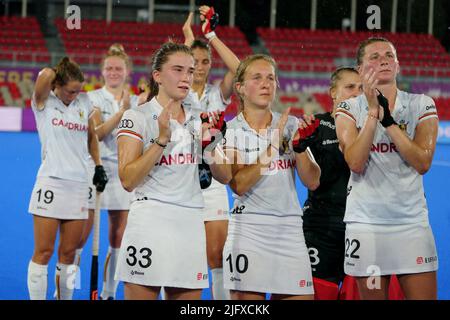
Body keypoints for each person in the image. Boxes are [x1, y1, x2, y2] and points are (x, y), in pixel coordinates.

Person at [206, 54, 321, 300]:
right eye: (256, 78)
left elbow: (312, 181)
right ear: (240, 88)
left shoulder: (290, 125)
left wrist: (299, 150)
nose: (266, 83)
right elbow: (238, 184)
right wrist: (273, 148)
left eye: (270, 78)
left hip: (289, 232)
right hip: (249, 233)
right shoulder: (231, 130)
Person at [335, 37, 439, 299]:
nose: (383, 60)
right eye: (374, 56)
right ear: (360, 69)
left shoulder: (421, 104)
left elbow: (422, 162)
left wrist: (389, 121)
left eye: (389, 55)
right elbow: (356, 163)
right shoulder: (348, 108)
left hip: (411, 223)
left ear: (398, 65)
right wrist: (372, 113)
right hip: (366, 226)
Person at [114, 42, 210, 300]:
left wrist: (212, 149)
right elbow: (127, 179)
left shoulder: (200, 118)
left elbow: (223, 177)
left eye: (190, 71)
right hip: (150, 221)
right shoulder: (137, 117)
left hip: (190, 221)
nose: (186, 77)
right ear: (157, 76)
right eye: (177, 70)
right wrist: (161, 140)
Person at [27, 57, 108, 300]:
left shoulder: (83, 103)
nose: (75, 95)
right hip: (51, 183)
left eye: (78, 90)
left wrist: (98, 165)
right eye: (70, 90)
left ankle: (66, 297)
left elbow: (92, 137)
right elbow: (43, 76)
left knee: (70, 254)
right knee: (43, 251)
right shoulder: (44, 103)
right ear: (58, 85)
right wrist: (60, 69)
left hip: (78, 187)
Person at [181, 6, 240, 300]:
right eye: (195, 61)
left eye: (205, 61)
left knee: (217, 255)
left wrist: (211, 34)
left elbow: (239, 70)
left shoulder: (218, 94)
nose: (201, 66)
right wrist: (187, 41)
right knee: (183, 253)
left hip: (215, 179)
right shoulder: (176, 92)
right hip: (181, 178)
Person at [74, 43, 138, 300]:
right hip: (96, 170)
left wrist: (129, 107)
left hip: (122, 172)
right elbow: (98, 134)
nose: (113, 72)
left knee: (118, 236)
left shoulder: (135, 100)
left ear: (127, 71)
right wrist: (122, 112)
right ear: (102, 71)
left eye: (118, 68)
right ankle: (65, 290)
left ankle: (109, 293)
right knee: (78, 239)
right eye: (109, 68)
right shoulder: (94, 98)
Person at [301, 67, 362, 299]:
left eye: (361, 88)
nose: (357, 93)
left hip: (361, 228)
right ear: (333, 93)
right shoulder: (315, 126)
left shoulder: (372, 130)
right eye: (350, 87)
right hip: (320, 228)